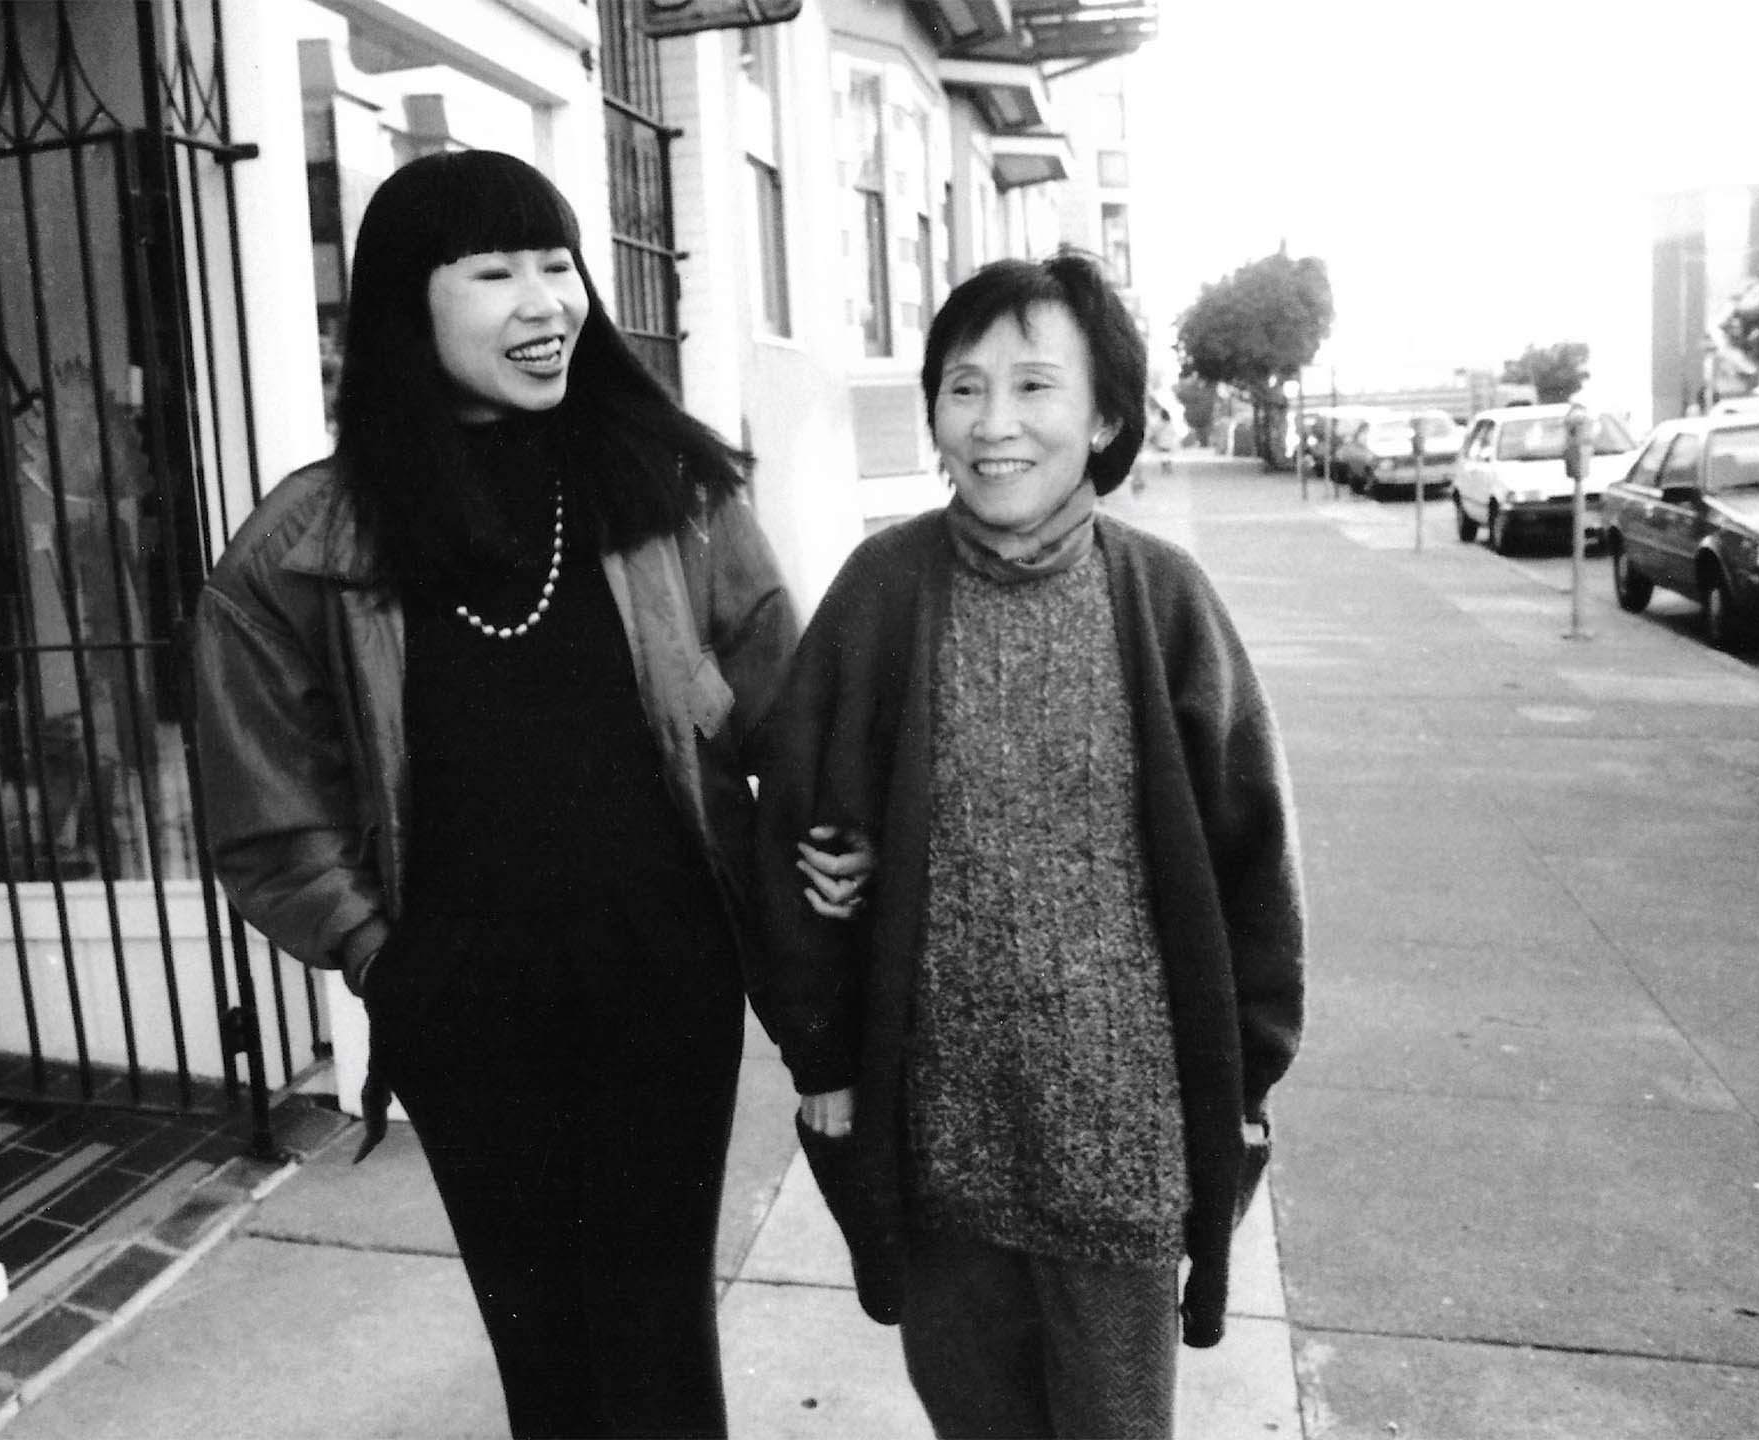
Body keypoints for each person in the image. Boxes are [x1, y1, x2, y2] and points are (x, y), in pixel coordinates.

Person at [192, 149, 845, 1439]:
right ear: (406, 306)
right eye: (494, 273)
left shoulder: (670, 490)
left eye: (557, 265)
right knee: (542, 1355)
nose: (546, 303)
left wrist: (834, 844)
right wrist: (381, 960)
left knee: (656, 1348)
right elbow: (267, 813)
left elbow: (791, 710)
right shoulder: (300, 550)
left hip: (663, 975)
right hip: (463, 1003)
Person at [750, 251, 1307, 1439]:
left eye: (1034, 386)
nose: (993, 423)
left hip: (1121, 1142)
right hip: (937, 1132)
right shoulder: (883, 589)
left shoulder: (1163, 599)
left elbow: (1252, 859)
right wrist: (823, 1054)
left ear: (1104, 417)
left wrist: (1247, 1080)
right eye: (964, 387)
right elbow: (796, 825)